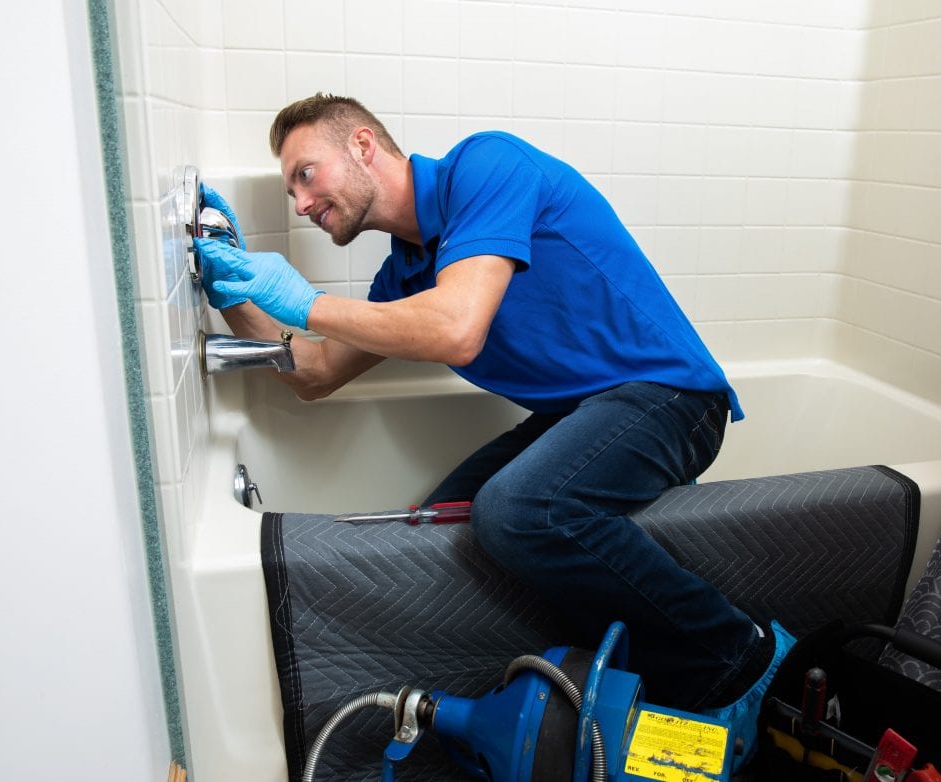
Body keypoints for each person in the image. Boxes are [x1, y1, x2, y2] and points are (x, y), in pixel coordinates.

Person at [196, 94, 794, 767]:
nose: (300, 202)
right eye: (290, 188)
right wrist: (232, 290)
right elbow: (315, 372)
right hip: (585, 414)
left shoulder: (486, 167)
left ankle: (738, 652)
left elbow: (457, 326)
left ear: (363, 146)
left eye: (306, 174)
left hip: (673, 397)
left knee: (517, 510)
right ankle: (557, 696)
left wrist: (309, 302)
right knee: (436, 523)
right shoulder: (406, 273)